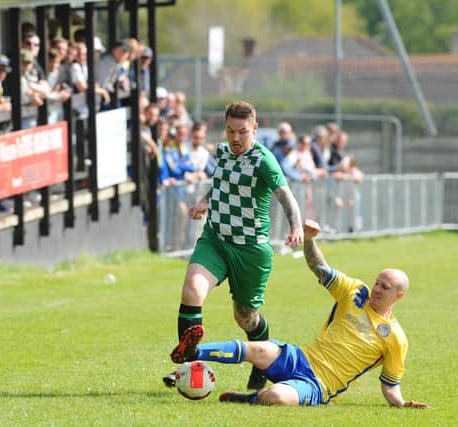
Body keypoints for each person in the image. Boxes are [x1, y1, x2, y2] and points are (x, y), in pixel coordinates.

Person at [172, 220, 429, 408]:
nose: (377, 289)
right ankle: (192, 352)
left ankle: (247, 398)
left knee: (277, 397)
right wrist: (309, 239)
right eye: (377, 282)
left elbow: (390, 384)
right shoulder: (355, 291)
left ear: (399, 295)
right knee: (258, 349)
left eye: (386, 287)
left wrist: (402, 403)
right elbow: (320, 268)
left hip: (319, 384)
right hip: (301, 357)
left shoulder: (395, 338)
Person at [163, 101, 304, 391]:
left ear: (254, 128)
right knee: (192, 290)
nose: (235, 138)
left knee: (245, 316)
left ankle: (262, 363)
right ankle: (188, 367)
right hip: (215, 239)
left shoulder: (264, 160)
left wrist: (296, 226)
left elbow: (285, 195)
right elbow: (221, 182)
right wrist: (204, 202)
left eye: (242, 131)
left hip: (250, 249)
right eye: (230, 130)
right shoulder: (223, 151)